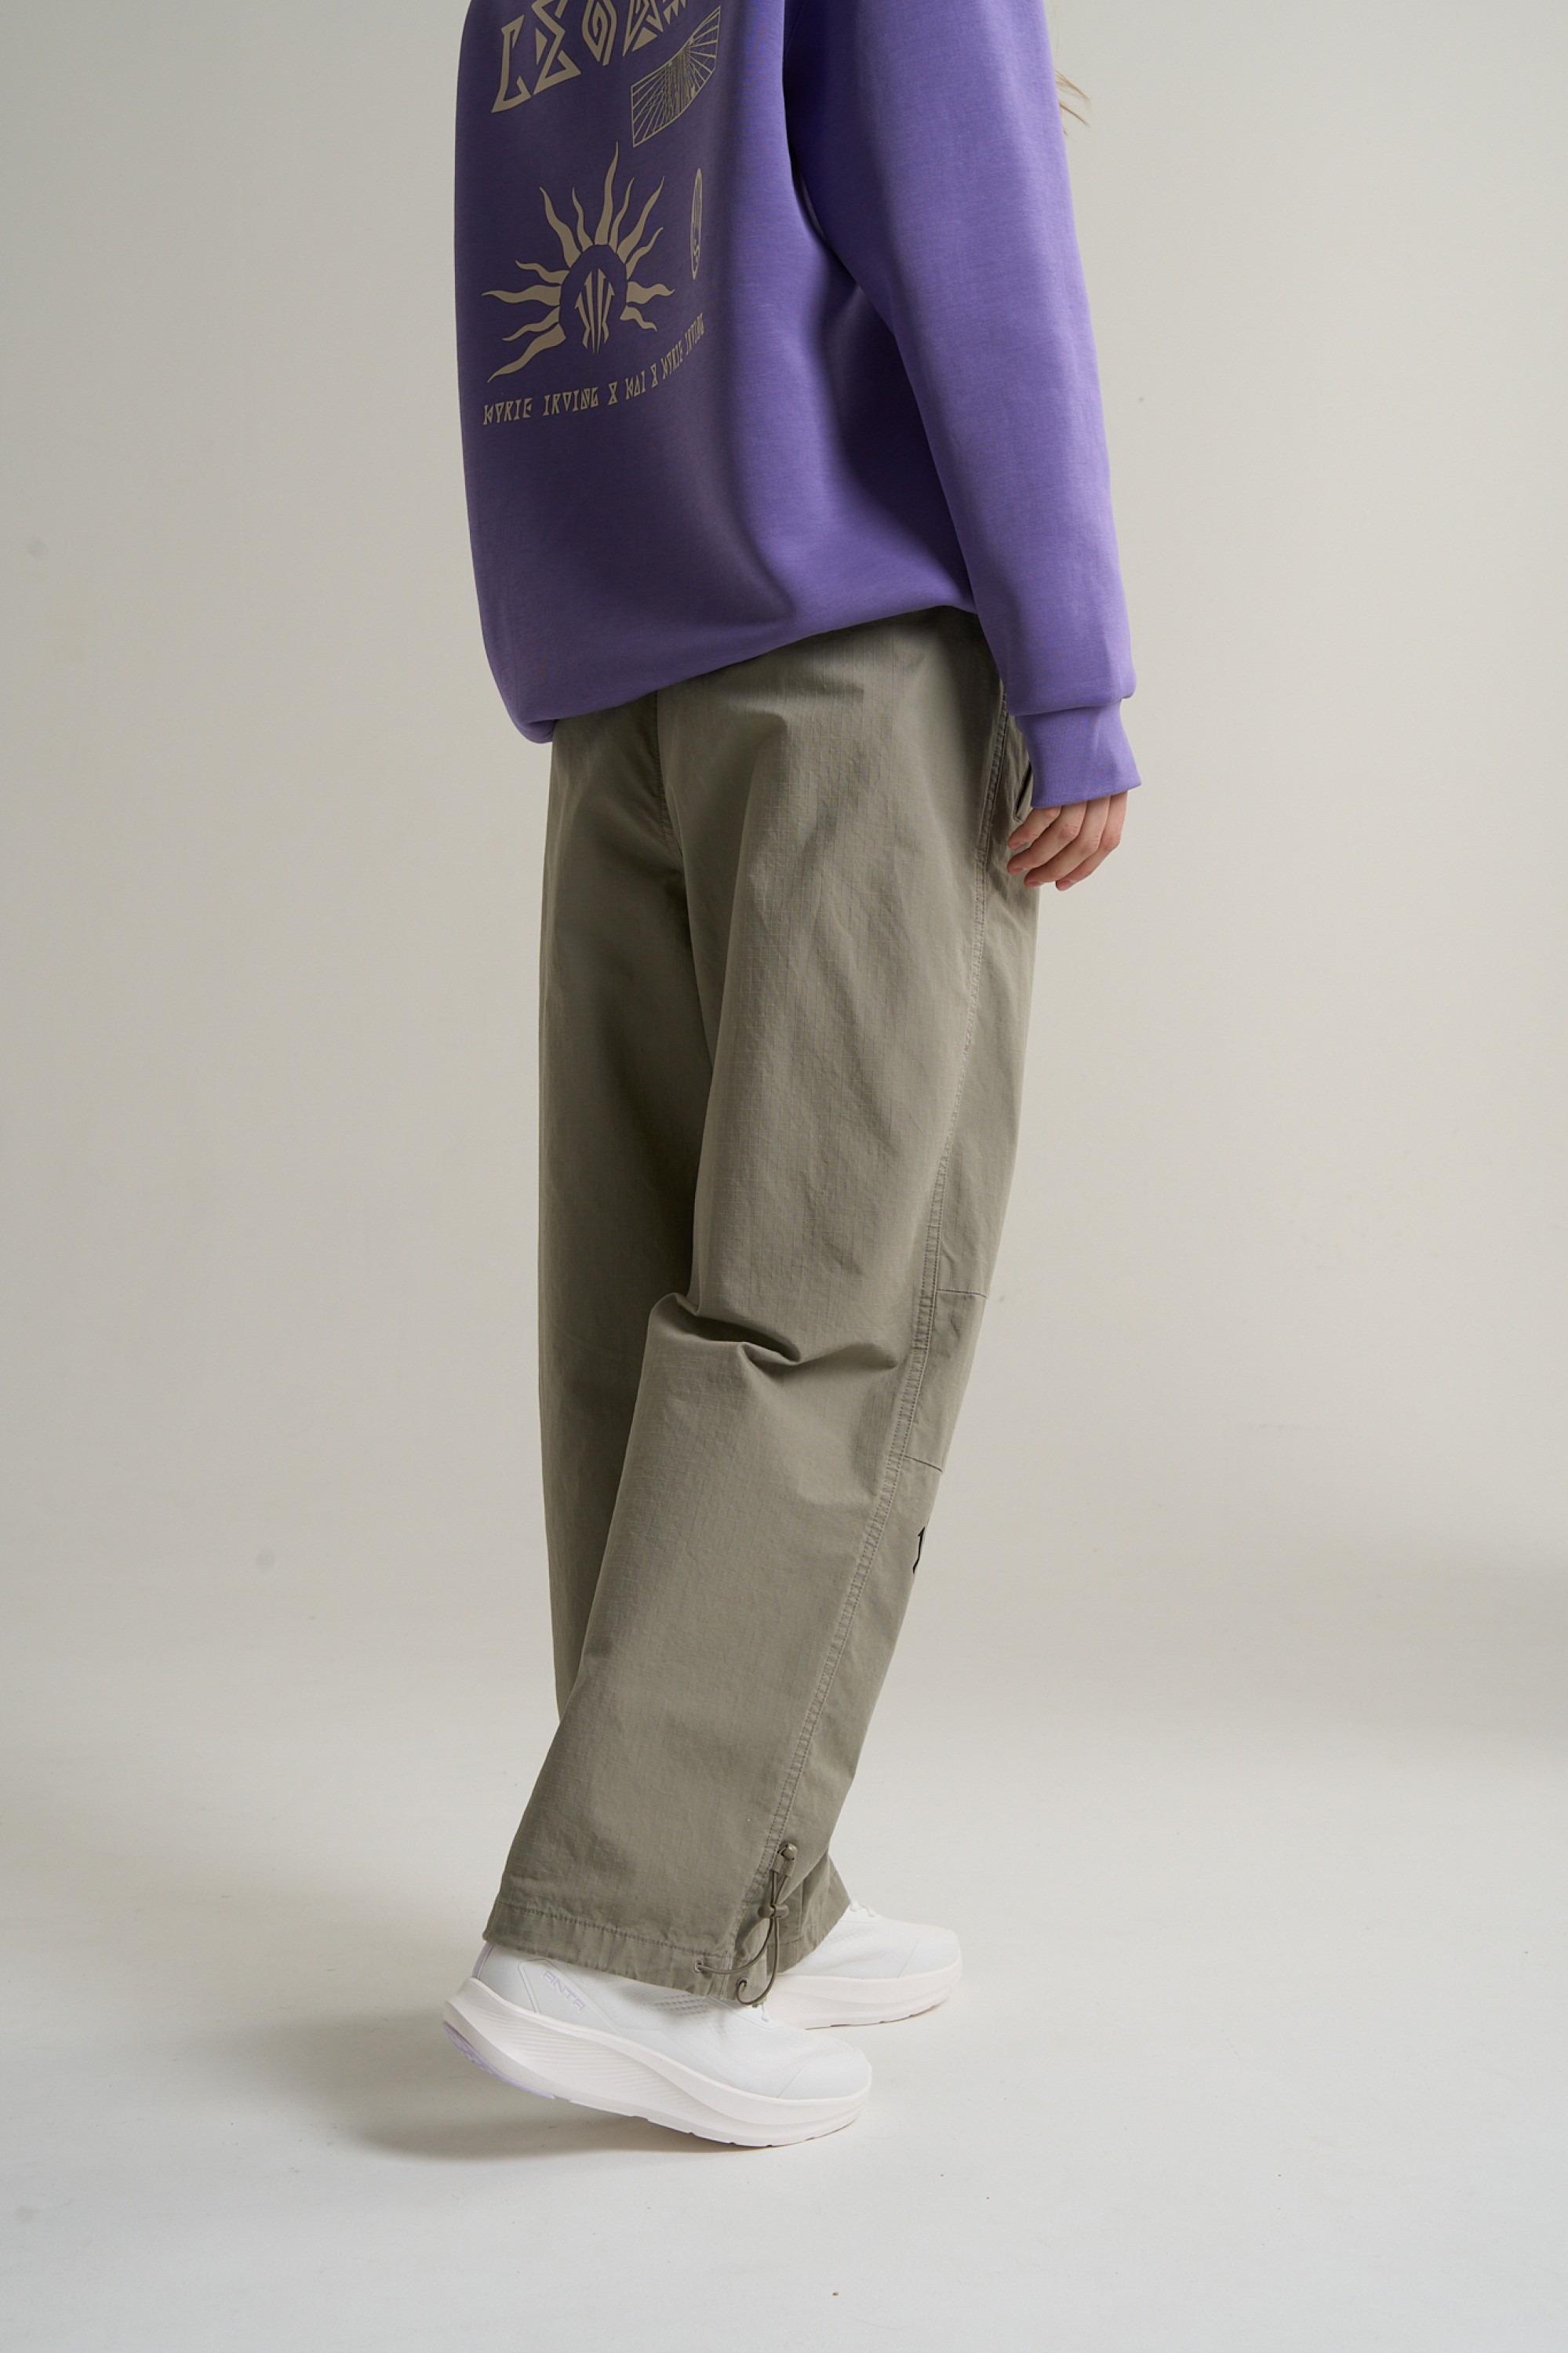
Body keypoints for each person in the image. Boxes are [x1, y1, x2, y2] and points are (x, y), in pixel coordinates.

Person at [442, 0, 1139, 2146]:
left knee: (639, 1296)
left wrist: (576, 644)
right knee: (838, 1290)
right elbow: (980, 257)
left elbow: (538, 318)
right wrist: (1075, 680)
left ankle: (739, 1874)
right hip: (852, 677)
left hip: (623, 689)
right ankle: (622, 1934)